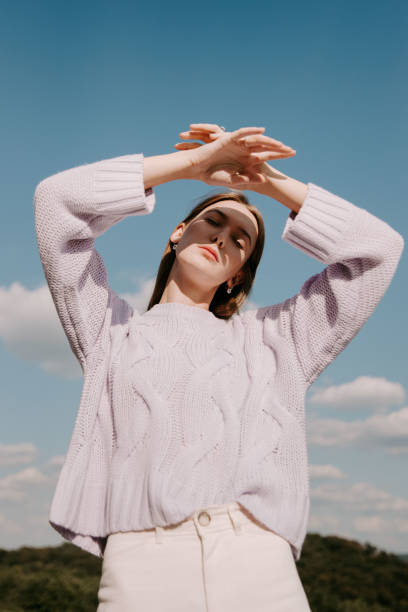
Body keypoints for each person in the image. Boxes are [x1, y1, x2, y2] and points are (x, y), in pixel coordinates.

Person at [33, 123, 404, 611]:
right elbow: (56, 202)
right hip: (143, 567)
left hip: (257, 562)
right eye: (214, 222)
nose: (224, 238)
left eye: (241, 240)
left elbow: (378, 251)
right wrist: (192, 167)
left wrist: (264, 181)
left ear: (237, 276)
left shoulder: (278, 342)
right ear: (178, 232)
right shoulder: (110, 330)